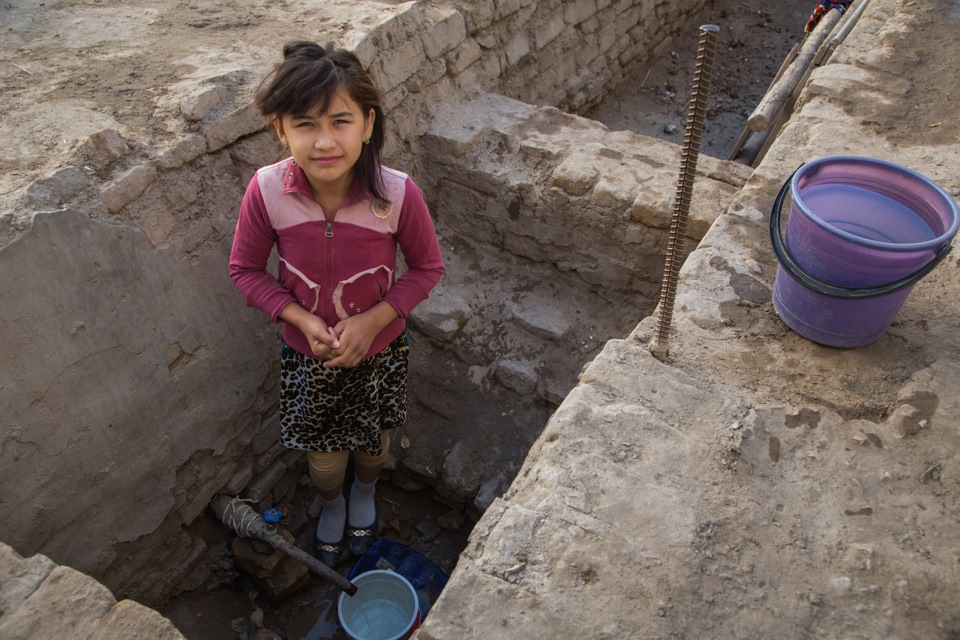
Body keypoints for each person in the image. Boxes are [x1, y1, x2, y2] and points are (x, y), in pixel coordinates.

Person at [229, 41, 444, 566]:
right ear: (280, 130)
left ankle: (365, 496)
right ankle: (332, 504)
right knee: (325, 460)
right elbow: (246, 270)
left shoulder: (396, 195)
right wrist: (300, 319)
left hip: (380, 353)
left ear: (368, 124)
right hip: (309, 359)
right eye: (304, 124)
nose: (324, 142)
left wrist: (373, 322)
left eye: (340, 121)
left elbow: (427, 268)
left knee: (372, 444)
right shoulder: (266, 192)